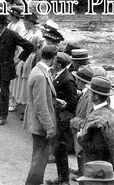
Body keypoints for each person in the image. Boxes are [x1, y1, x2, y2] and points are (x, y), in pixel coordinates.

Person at [78, 77, 114, 176]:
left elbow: (97, 149)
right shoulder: (110, 111)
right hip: (105, 165)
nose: (89, 95)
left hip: (97, 168)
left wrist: (79, 137)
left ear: (96, 97)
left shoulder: (98, 120)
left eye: (91, 93)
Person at [0, 15, 33, 125]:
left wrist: (18, 59)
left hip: (6, 67)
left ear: (4, 25)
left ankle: (3, 116)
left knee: (4, 92)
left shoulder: (12, 35)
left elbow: (29, 46)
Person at [23, 45, 58, 185]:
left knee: (40, 157)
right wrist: (49, 127)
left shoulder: (39, 70)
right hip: (40, 124)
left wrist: (55, 100)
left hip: (37, 121)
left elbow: (42, 97)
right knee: (39, 158)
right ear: (54, 58)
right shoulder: (40, 76)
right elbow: (40, 106)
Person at [46, 52, 78, 185]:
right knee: (58, 149)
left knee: (60, 149)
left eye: (54, 61)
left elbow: (72, 102)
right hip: (58, 117)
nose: (51, 63)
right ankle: (62, 178)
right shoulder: (59, 75)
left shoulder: (67, 80)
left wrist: (59, 103)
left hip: (63, 119)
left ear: (59, 64)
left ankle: (64, 179)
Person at [70, 66, 96, 176]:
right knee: (79, 154)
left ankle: (83, 175)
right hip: (79, 133)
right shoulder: (85, 93)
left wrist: (75, 121)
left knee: (83, 154)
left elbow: (88, 120)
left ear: (82, 81)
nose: (75, 81)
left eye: (77, 79)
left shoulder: (89, 97)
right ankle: (81, 171)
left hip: (83, 133)